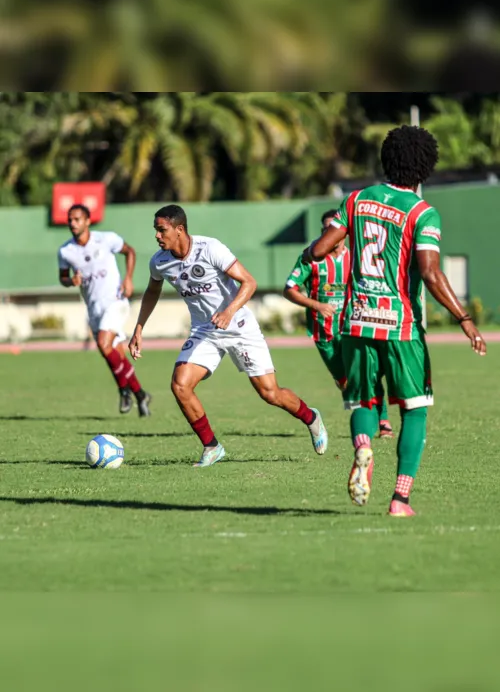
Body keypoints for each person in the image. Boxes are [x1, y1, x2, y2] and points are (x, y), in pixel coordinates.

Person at [302, 125, 487, 517]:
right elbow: (431, 273)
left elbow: (320, 250)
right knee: (414, 409)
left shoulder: (357, 199)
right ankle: (400, 500)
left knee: (364, 402)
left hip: (354, 321)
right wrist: (464, 318)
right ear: (425, 168)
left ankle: (363, 447)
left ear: (387, 159)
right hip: (400, 324)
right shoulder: (423, 213)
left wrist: (320, 247)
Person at [128, 204, 327, 467]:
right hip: (204, 331)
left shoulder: (210, 248)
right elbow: (152, 292)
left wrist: (228, 312)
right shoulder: (160, 262)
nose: (157, 235)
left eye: (161, 230)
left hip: (239, 326)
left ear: (180, 229)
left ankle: (311, 418)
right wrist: (139, 328)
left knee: (270, 393)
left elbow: (249, 282)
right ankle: (212, 446)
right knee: (180, 385)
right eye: (156, 230)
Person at [284, 208, 393, 438]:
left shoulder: (357, 257)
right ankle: (365, 417)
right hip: (324, 335)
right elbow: (289, 290)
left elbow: (372, 285)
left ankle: (382, 421)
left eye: (334, 228)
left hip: (353, 327)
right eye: (326, 229)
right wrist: (316, 305)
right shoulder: (311, 258)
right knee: (345, 383)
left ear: (344, 231)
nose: (330, 233)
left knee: (368, 372)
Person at [58, 204, 151, 416]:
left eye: (77, 219)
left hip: (115, 301)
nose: (72, 223)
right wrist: (69, 280)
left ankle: (123, 390)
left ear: (88, 221)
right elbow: (62, 277)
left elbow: (130, 252)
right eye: (70, 220)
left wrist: (128, 278)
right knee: (112, 353)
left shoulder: (106, 239)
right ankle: (140, 394)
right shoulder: (66, 251)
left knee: (103, 343)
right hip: (94, 308)